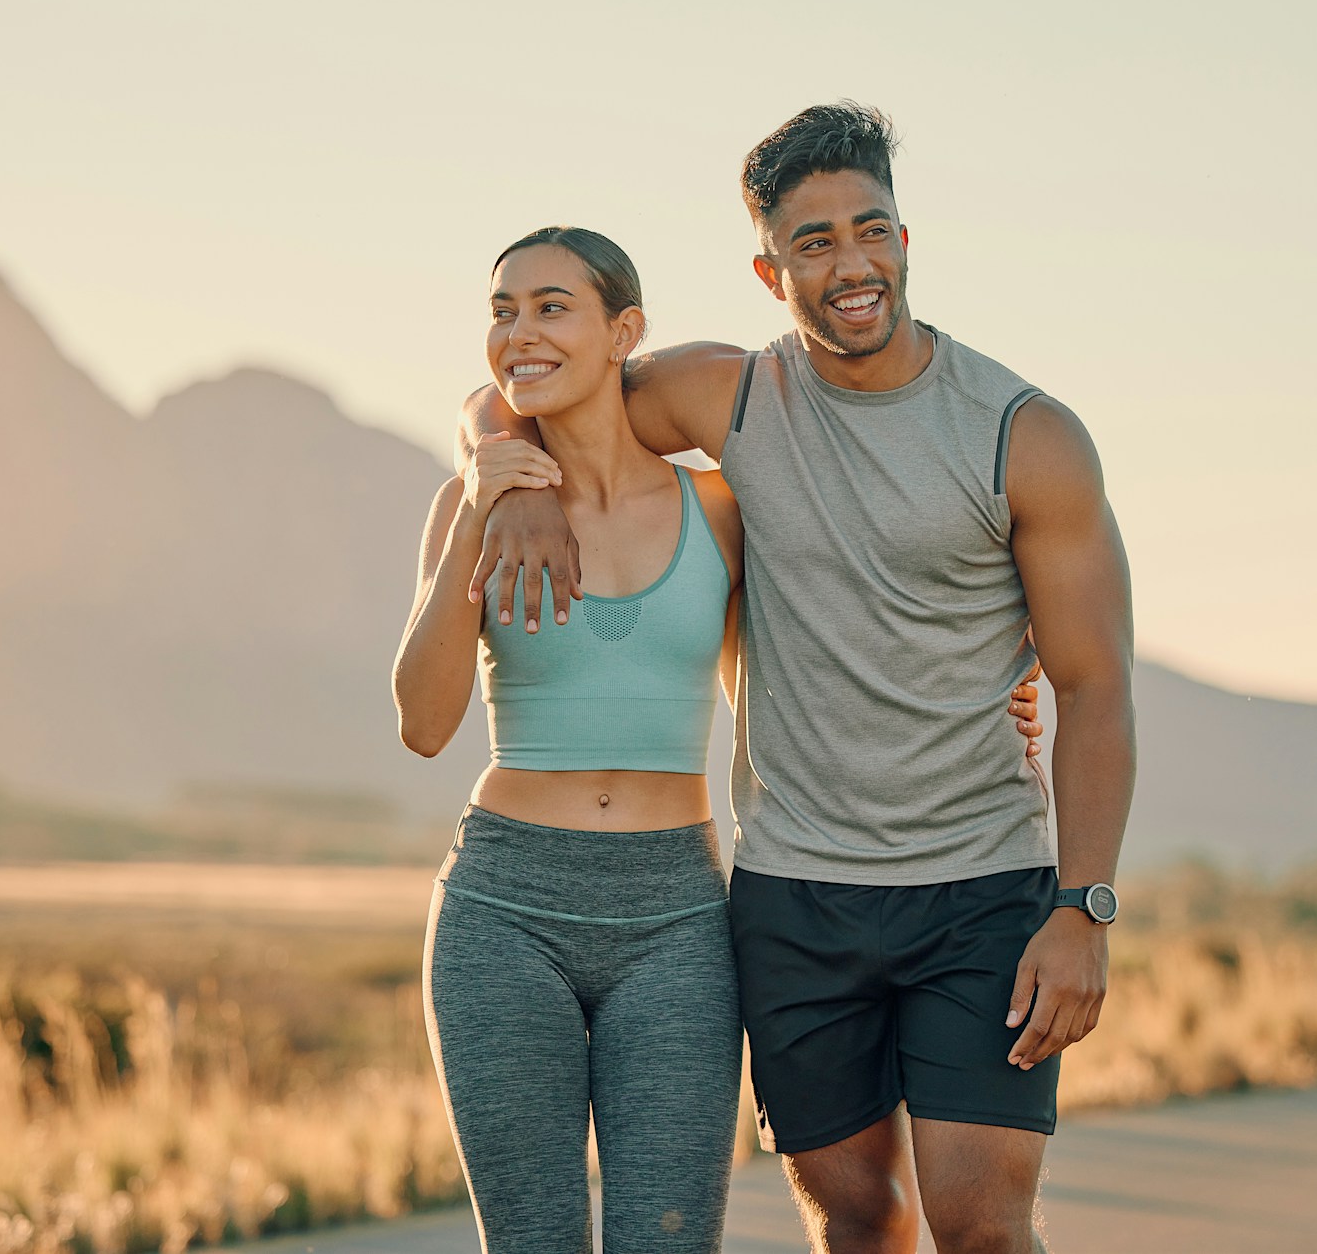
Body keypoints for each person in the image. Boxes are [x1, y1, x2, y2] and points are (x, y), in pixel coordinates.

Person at [463, 105, 1136, 1254]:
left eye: (869, 231)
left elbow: (1096, 686)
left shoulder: (1023, 436)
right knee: (857, 1217)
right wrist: (502, 466)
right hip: (794, 894)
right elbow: (546, 383)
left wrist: (1084, 908)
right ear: (772, 269)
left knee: (980, 1223)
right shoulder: (732, 400)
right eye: (814, 243)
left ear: (907, 242)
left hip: (980, 889)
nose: (851, 264)